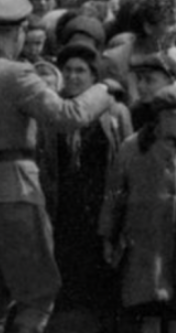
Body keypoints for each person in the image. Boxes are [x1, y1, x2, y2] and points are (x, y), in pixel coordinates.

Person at [0, 0, 114, 333]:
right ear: (19, 32)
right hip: (15, 192)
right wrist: (103, 90)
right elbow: (69, 115)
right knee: (37, 297)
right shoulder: (18, 73)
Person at [100, 85, 176, 333]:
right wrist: (107, 237)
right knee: (148, 312)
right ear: (165, 117)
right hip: (145, 247)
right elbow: (114, 195)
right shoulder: (131, 148)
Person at [53, 42, 133, 330]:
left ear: (93, 77)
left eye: (81, 71)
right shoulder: (53, 110)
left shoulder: (114, 113)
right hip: (65, 209)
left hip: (100, 204)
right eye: (68, 70)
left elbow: (126, 159)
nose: (73, 77)